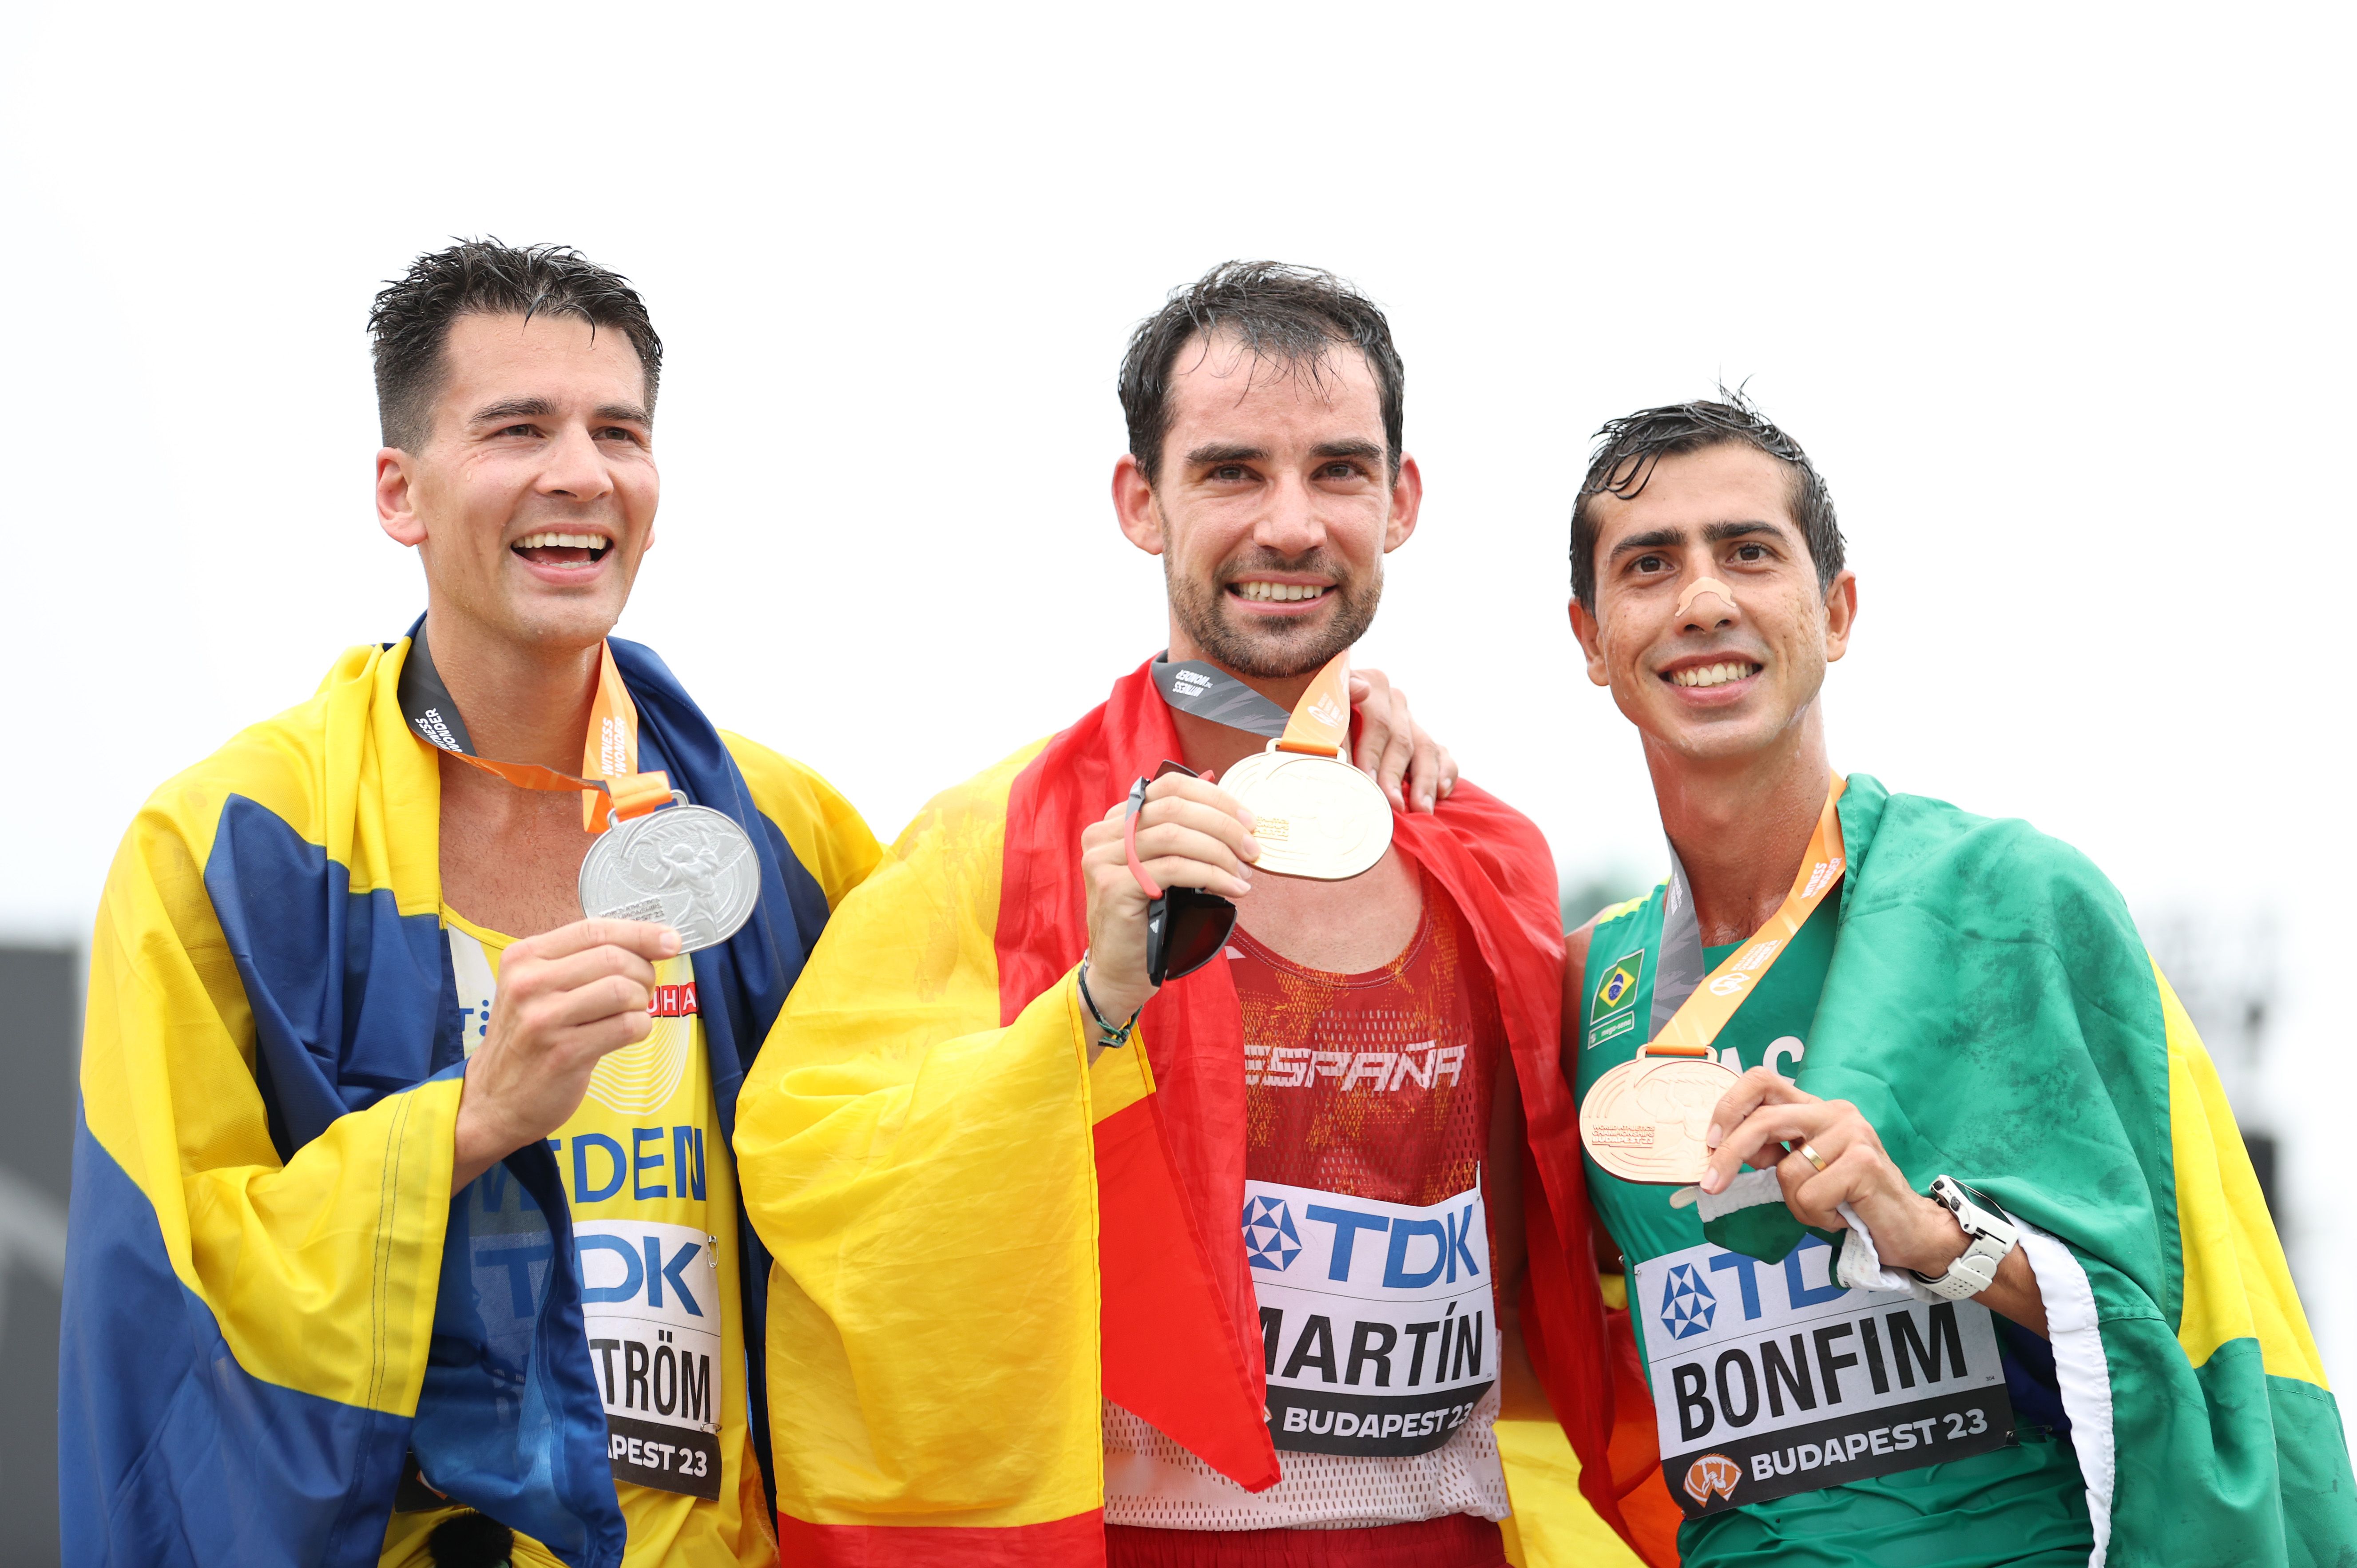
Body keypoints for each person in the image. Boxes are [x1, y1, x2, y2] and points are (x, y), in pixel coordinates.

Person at [734, 262, 1664, 1567]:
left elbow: (1572, 1254)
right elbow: (810, 1166)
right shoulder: (997, 837)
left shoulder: (1489, 855)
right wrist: (1092, 1013)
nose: (1290, 525)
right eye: (1232, 471)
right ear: (1140, 500)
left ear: (1399, 501)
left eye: (1337, 471)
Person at [58, 241, 889, 1568]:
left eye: (618, 430)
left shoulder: (782, 832)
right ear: (401, 493)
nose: (580, 470)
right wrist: (471, 1120)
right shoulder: (227, 845)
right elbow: (169, 1295)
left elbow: (934, 1140)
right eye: (517, 428)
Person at [1560, 393, 2357, 1566]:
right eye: (1648, 563)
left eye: (1748, 552)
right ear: (1589, 637)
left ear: (1834, 610)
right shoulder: (1590, 981)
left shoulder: (2010, 902)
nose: (1703, 599)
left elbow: (2184, 1312)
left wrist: (1931, 1234)